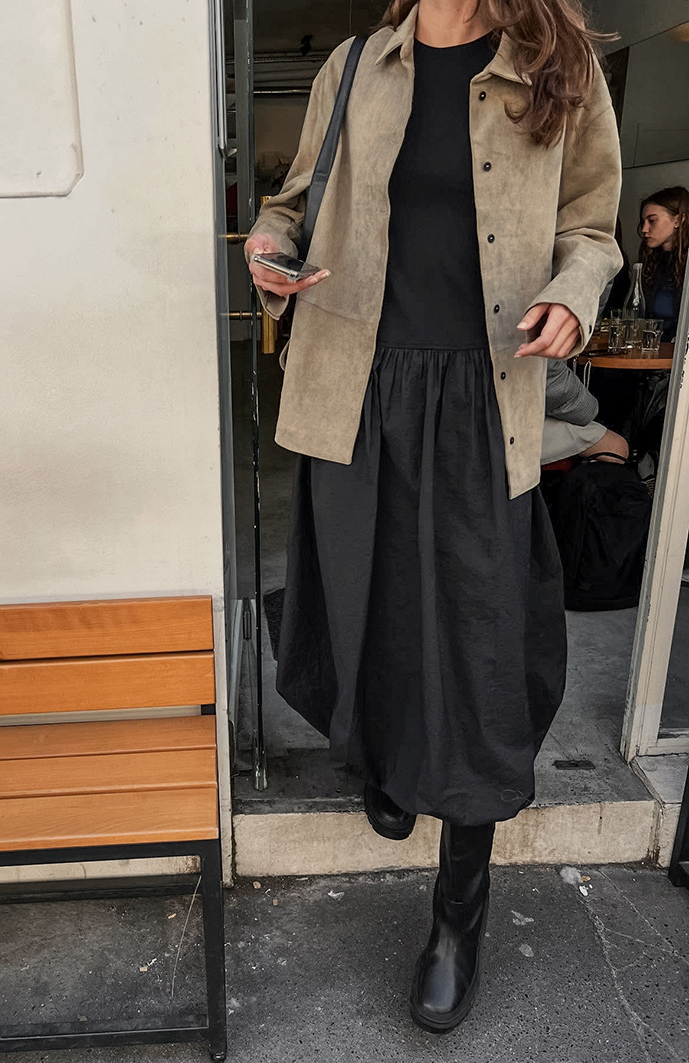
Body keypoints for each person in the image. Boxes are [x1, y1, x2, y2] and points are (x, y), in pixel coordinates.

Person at [246, 0, 621, 1034]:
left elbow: (592, 230)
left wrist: (573, 293)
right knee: (363, 606)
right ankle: (382, 757)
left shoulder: (558, 65)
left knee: (474, 647)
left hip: (483, 396)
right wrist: (268, 246)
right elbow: (291, 203)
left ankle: (457, 917)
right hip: (356, 387)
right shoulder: (356, 64)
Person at [639, 186, 689, 342]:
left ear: (678, 220)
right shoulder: (652, 262)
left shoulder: (685, 265)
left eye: (652, 221)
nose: (644, 229)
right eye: (643, 222)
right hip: (653, 348)